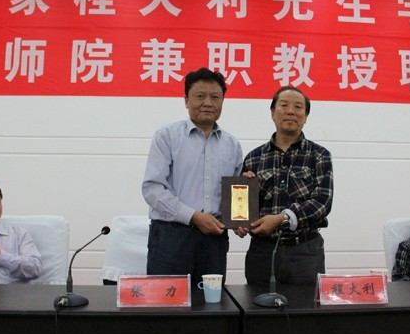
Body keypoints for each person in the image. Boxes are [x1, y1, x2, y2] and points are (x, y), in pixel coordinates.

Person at [142, 67, 243, 286]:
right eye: (200, 96)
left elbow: (235, 196)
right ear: (186, 100)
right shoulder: (167, 137)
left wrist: (240, 219)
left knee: (211, 301)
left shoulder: (232, 145)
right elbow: (152, 189)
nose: (208, 103)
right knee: (166, 300)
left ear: (222, 101)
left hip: (214, 241)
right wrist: (193, 216)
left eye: (215, 97)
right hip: (171, 237)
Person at [237, 86, 333, 286]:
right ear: (272, 112)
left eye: (298, 107)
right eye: (284, 105)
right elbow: (243, 211)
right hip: (261, 251)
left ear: (306, 116)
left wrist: (282, 218)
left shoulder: (319, 155)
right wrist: (240, 219)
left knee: (306, 305)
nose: (291, 111)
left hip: (305, 251)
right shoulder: (254, 157)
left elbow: (322, 203)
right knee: (257, 303)